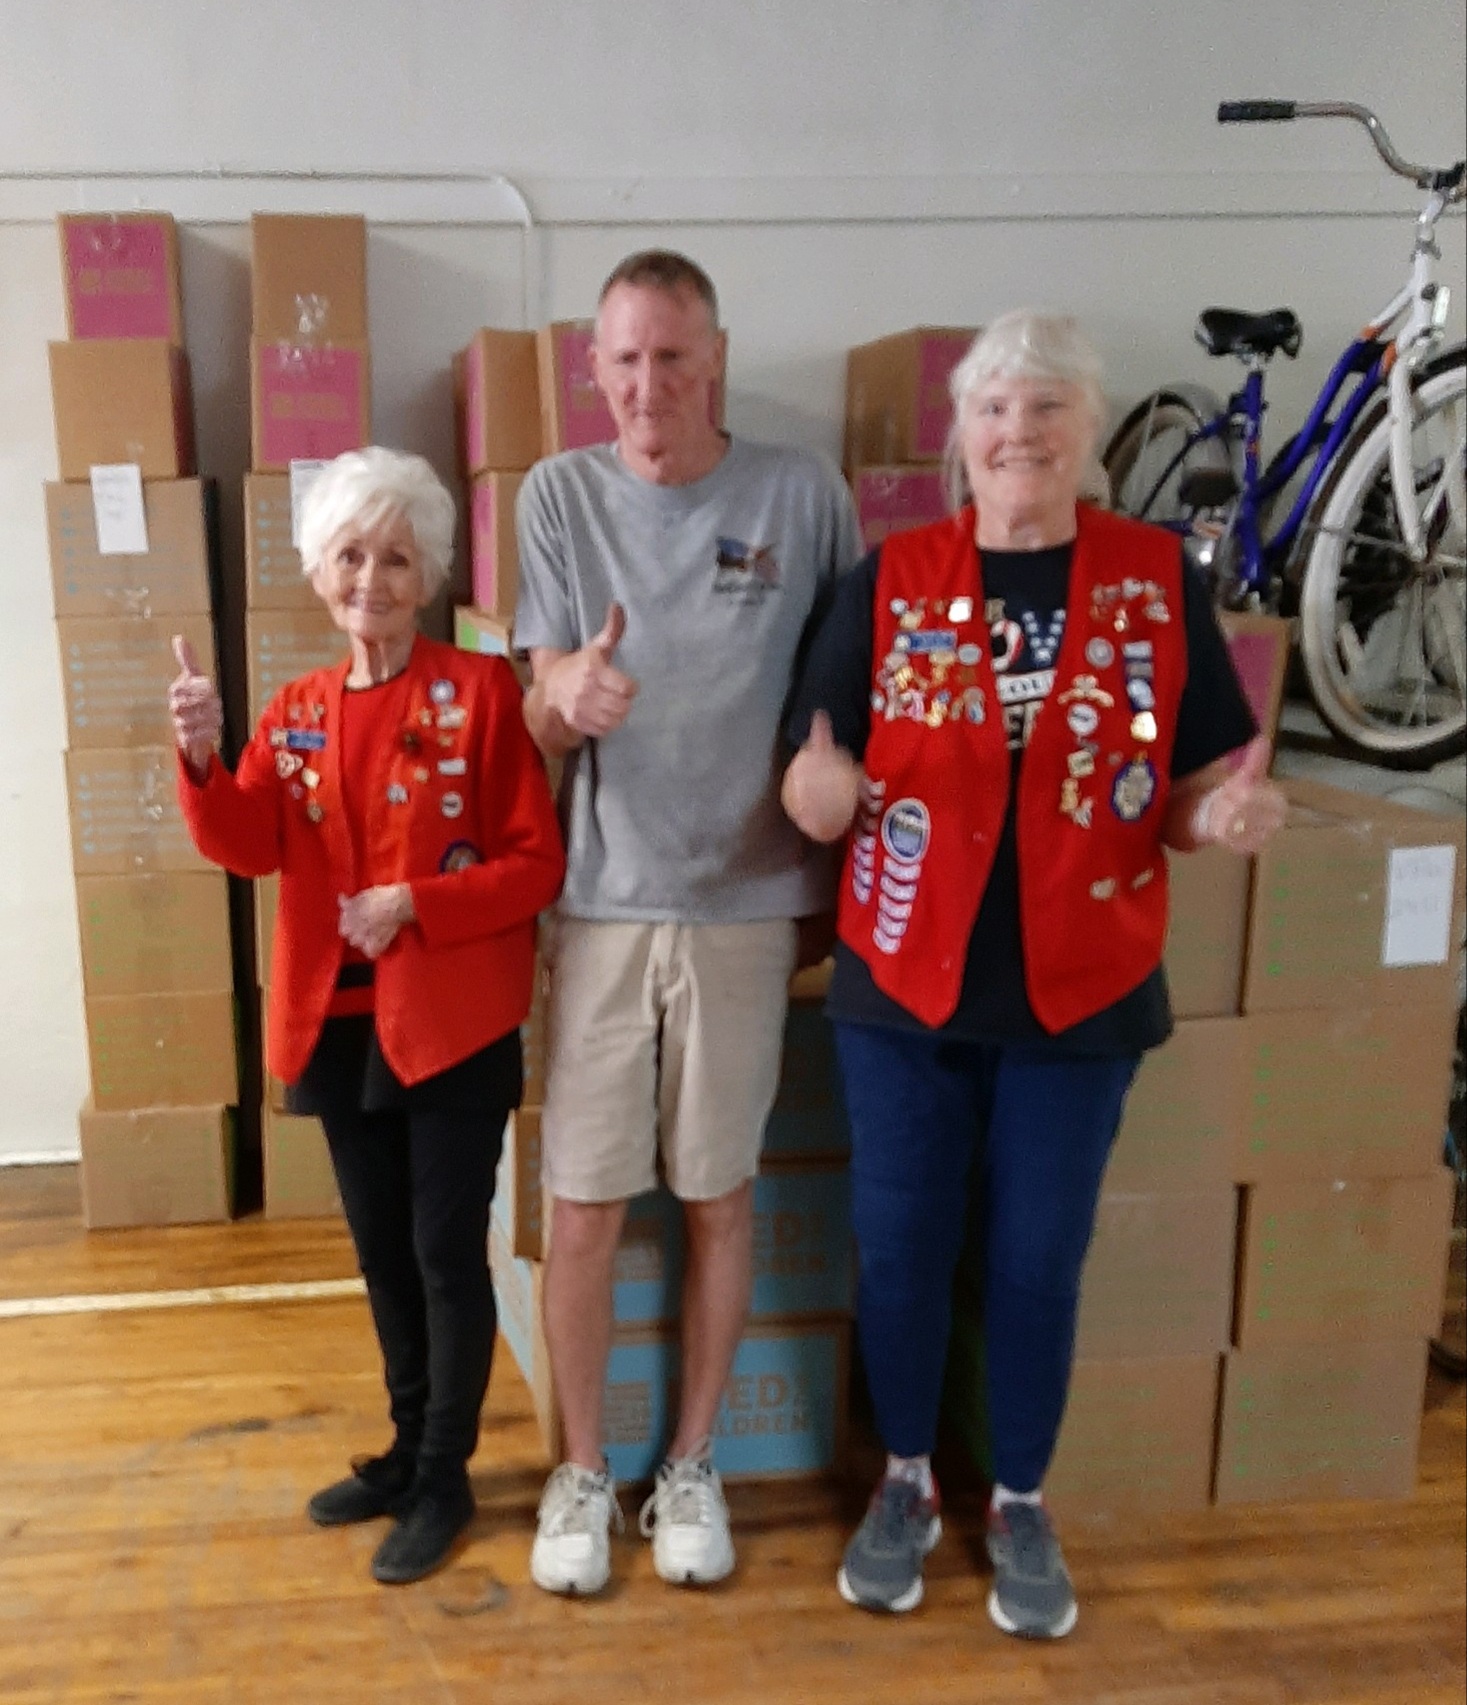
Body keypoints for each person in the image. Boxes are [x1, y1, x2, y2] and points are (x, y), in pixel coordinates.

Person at [782, 310, 1286, 1635]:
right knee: (900, 1248)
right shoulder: (892, 579)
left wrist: (1220, 816)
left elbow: (1185, 788)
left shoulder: (1154, 583)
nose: (1018, 433)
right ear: (960, 434)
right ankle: (903, 1477)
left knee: (1036, 1258)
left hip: (1083, 989)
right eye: (994, 410)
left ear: (1088, 430)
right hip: (905, 982)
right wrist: (816, 792)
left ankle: (1017, 1496)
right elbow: (813, 763)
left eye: (1046, 408)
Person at [514, 249, 862, 1596]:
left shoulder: (801, 493)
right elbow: (539, 702)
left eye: (671, 356)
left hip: (748, 904)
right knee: (583, 1207)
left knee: (720, 1196)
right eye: (624, 360)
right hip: (602, 902)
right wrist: (567, 699)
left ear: (714, 358)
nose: (647, 384)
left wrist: (830, 846)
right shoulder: (557, 494)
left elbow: (845, 686)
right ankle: (582, 1470)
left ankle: (692, 1463)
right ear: (591, 369)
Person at [167, 447, 564, 1586]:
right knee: (385, 1254)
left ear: (427, 572)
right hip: (337, 1029)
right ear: (319, 572)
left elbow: (535, 864)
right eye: (350, 555)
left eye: (396, 557)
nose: (371, 579)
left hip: (451, 1026)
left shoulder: (480, 694)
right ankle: (404, 1448)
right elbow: (248, 842)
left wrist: (418, 903)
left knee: (444, 1252)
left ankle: (444, 1474)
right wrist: (200, 754)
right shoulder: (294, 711)